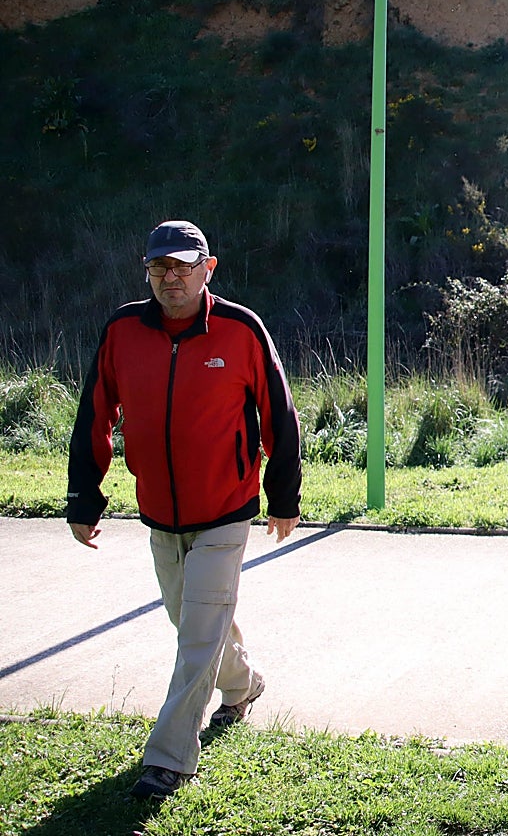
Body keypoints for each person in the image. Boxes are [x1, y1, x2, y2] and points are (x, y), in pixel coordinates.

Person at [66, 219, 302, 800]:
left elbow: (280, 412)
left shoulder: (240, 329)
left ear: (208, 268)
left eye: (182, 266)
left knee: (196, 633)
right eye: (159, 267)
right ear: (147, 271)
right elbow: (94, 413)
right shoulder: (123, 329)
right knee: (191, 617)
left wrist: (284, 497)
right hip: (159, 511)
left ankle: (169, 757)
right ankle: (244, 685)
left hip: (226, 508)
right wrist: (83, 496)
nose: (171, 277)